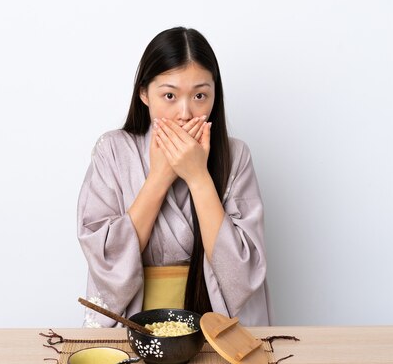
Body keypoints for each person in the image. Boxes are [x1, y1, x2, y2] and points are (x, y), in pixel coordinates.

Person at [77, 26, 270, 328]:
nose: (185, 112)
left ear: (214, 95)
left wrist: (198, 177)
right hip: (133, 324)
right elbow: (104, 259)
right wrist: (160, 176)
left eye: (200, 95)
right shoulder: (112, 150)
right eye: (169, 95)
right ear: (144, 93)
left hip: (214, 323)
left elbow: (244, 274)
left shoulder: (236, 155)